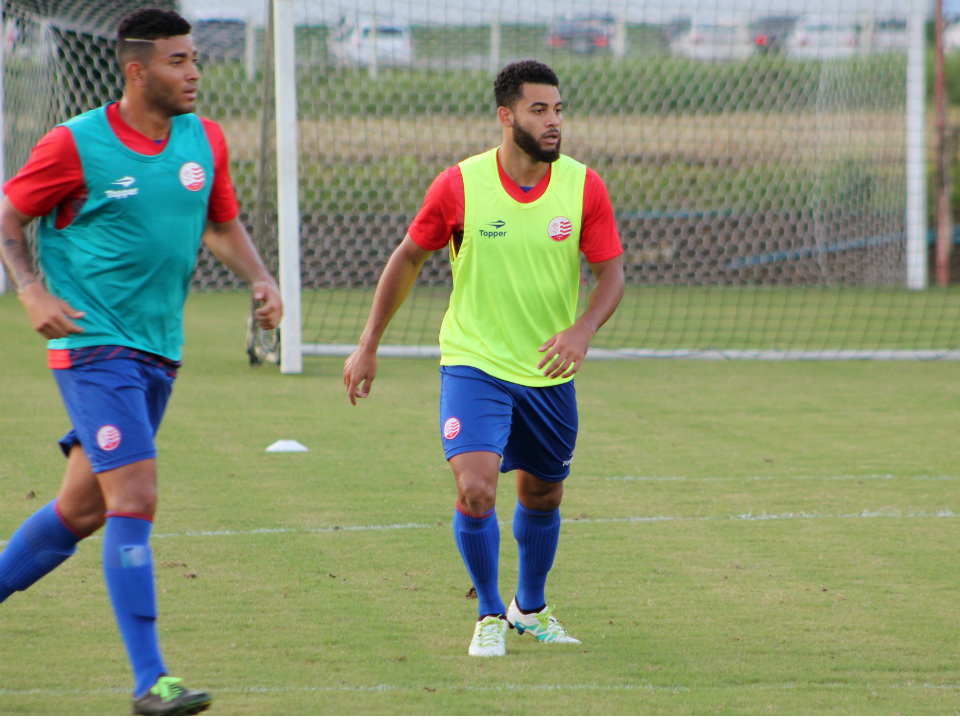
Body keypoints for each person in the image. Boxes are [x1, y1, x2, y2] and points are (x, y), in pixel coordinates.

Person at [0, 8, 281, 715]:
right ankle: (151, 681)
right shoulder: (76, 143)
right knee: (135, 496)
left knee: (82, 508)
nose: (194, 72)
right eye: (178, 61)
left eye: (194, 59)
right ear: (136, 70)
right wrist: (30, 288)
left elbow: (220, 223)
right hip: (93, 346)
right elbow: (7, 214)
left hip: (159, 352)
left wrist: (260, 278)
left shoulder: (204, 140)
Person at [343, 60, 624, 658]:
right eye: (538, 110)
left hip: (548, 369)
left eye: (557, 109)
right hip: (474, 362)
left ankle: (530, 607)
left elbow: (611, 274)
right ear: (506, 116)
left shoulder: (583, 186)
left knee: (543, 495)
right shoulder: (460, 185)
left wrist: (582, 329)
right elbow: (408, 258)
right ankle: (490, 612)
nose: (553, 122)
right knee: (475, 489)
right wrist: (369, 343)